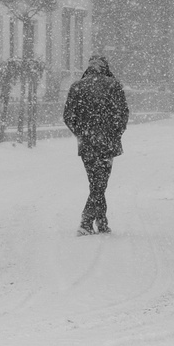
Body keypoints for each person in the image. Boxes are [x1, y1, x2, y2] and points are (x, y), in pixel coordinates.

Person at [63, 54, 129, 235]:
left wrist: (81, 133)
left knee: (95, 182)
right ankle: (87, 221)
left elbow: (68, 116)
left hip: (87, 143)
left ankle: (101, 221)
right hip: (108, 143)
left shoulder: (77, 87)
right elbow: (123, 114)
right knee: (100, 183)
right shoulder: (114, 85)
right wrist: (115, 133)